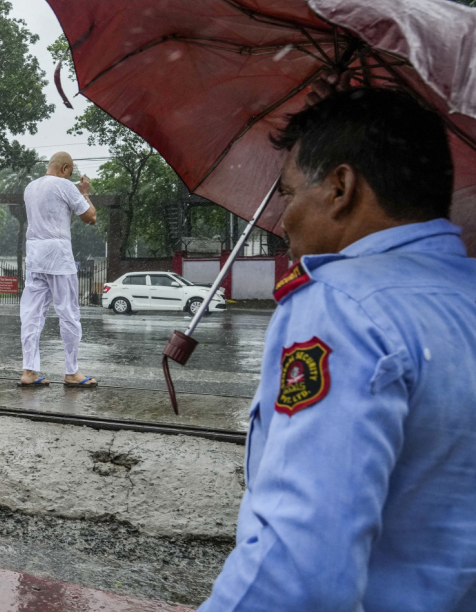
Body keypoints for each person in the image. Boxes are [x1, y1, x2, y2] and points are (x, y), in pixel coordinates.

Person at [200, 88, 476, 611]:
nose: (282, 221)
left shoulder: (339, 307)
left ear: (340, 187)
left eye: (287, 193)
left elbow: (302, 570)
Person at [18, 151, 98, 388]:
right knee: (68, 313)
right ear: (65, 169)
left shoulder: (30, 188)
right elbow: (90, 217)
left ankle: (29, 371)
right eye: (70, 172)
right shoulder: (66, 186)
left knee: (31, 315)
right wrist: (84, 193)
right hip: (58, 256)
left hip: (34, 256)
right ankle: (72, 372)